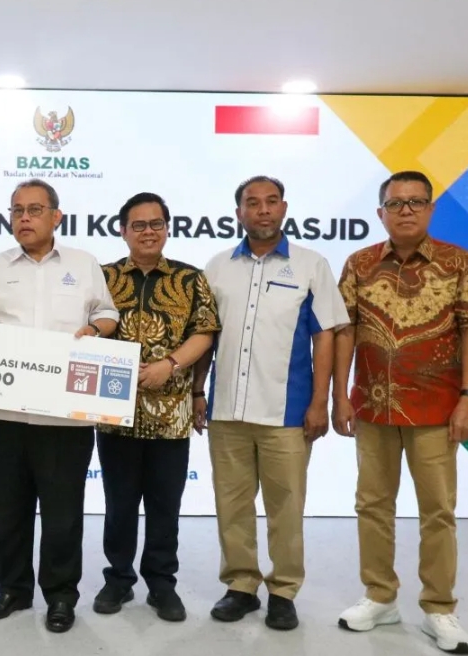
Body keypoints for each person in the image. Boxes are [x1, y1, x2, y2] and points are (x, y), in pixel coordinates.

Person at [333, 170, 468, 654]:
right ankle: (379, 596)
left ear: (430, 209)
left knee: (437, 511)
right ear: (380, 212)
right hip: (373, 407)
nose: (405, 210)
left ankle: (439, 607)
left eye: (416, 202)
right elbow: (345, 331)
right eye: (395, 203)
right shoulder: (360, 263)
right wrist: (340, 395)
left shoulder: (459, 262)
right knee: (372, 505)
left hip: (436, 410)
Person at [192, 175, 349, 631]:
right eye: (252, 202)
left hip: (287, 413)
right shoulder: (217, 267)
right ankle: (241, 585)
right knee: (232, 505)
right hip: (226, 411)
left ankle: (283, 591)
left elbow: (325, 336)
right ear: (238, 212)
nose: (262, 209)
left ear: (284, 208)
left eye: (271, 201)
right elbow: (205, 337)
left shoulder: (311, 265)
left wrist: (320, 402)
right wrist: (198, 391)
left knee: (286, 508)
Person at [0, 178, 119, 634]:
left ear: (56, 216)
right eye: (17, 210)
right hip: (3, 417)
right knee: (5, 510)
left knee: (62, 515)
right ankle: (12, 588)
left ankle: (60, 595)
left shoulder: (83, 264)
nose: (24, 218)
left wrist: (95, 330)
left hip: (64, 418)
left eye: (35, 210)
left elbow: (107, 313)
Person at [94, 192, 220, 621]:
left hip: (172, 415)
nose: (148, 232)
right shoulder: (103, 277)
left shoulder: (190, 278)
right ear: (123, 231)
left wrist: (171, 366)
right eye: (138, 225)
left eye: (156, 224)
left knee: (165, 506)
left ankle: (162, 584)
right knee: (119, 504)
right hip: (115, 414)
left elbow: (205, 332)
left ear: (167, 228)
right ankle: (118, 579)